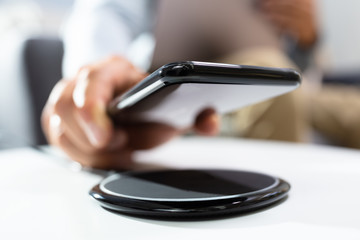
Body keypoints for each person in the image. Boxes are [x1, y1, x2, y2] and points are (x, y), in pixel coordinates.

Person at [42, 0, 317, 169]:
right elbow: (106, 13)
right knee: (268, 68)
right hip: (174, 80)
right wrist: (94, 73)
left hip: (273, 81)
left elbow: (304, 70)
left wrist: (307, 40)